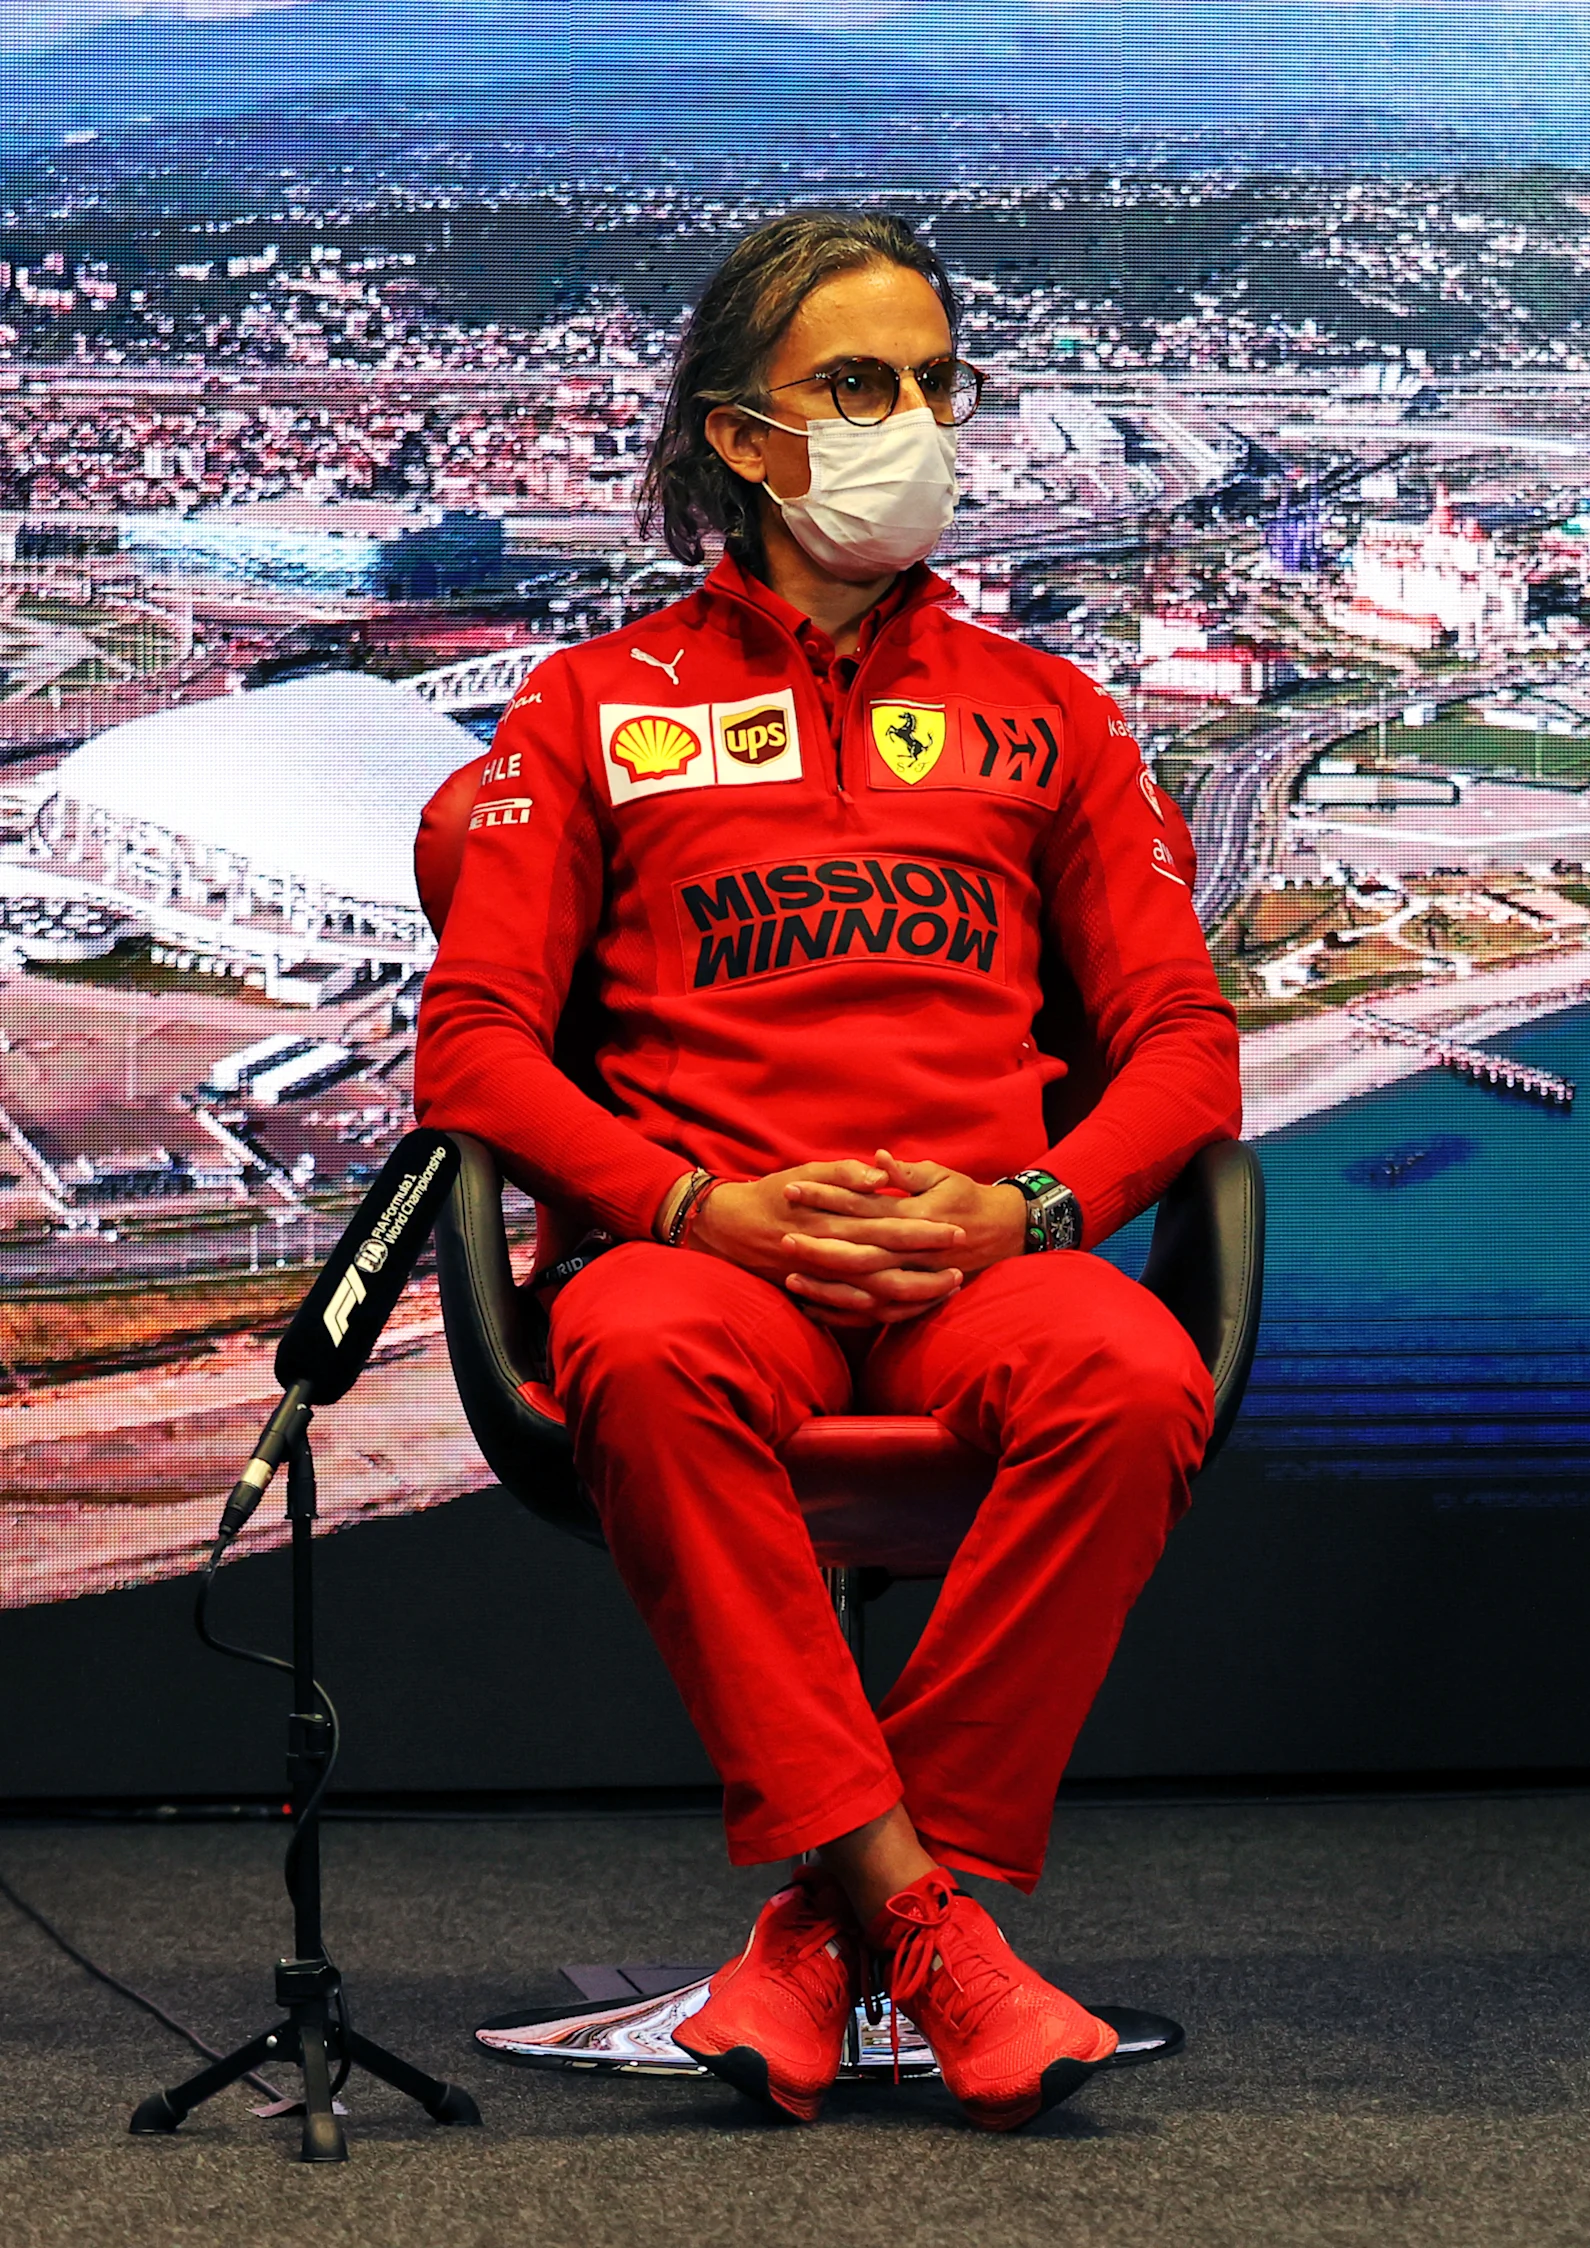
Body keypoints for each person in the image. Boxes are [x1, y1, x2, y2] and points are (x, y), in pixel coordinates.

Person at [417, 210, 1238, 2131]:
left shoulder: (1054, 713)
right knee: (633, 1351)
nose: (916, 425)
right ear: (740, 437)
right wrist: (700, 1206)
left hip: (984, 1252)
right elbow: (474, 1050)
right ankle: (941, 1943)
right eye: (858, 386)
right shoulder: (588, 705)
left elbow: (1185, 1047)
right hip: (709, 1256)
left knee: (1132, 1375)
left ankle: (832, 1930)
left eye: (937, 385)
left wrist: (1030, 1209)